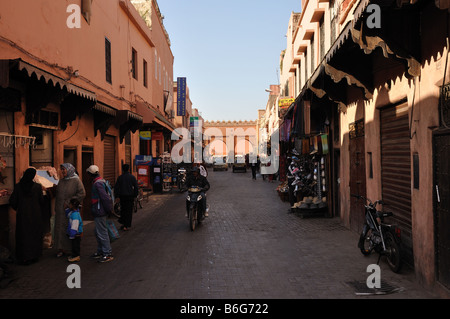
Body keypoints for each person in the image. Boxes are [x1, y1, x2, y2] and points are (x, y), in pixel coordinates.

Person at [9, 168, 45, 265]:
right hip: (35, 215)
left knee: (23, 235)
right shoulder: (37, 187)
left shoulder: (18, 187)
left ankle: (24, 257)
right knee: (34, 234)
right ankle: (34, 256)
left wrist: (19, 208)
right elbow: (42, 201)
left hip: (23, 216)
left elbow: (13, 201)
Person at [53, 163, 85, 258]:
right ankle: (60, 248)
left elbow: (82, 193)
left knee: (69, 228)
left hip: (69, 211)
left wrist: (69, 202)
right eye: (61, 169)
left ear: (70, 170)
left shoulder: (76, 181)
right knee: (59, 230)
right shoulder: (61, 181)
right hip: (60, 210)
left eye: (64, 169)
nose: (62, 171)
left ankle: (70, 249)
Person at [86, 165, 114, 263]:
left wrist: (109, 209)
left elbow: (105, 198)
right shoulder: (100, 181)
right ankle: (101, 251)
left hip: (100, 211)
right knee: (98, 232)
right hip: (100, 210)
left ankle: (107, 253)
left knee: (102, 233)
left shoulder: (97, 184)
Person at [114, 164, 138, 231]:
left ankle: (124, 224)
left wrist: (117, 196)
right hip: (130, 197)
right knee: (129, 211)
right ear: (128, 169)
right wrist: (135, 195)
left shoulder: (120, 177)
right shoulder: (132, 177)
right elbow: (136, 187)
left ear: (122, 169)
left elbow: (116, 188)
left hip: (122, 197)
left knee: (123, 210)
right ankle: (126, 225)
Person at [65, 198, 83, 262]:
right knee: (74, 245)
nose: (68, 205)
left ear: (72, 205)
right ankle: (74, 255)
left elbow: (75, 226)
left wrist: (72, 234)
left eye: (70, 204)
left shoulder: (75, 215)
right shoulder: (74, 212)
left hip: (76, 233)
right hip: (75, 233)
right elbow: (67, 213)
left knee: (75, 246)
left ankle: (76, 256)